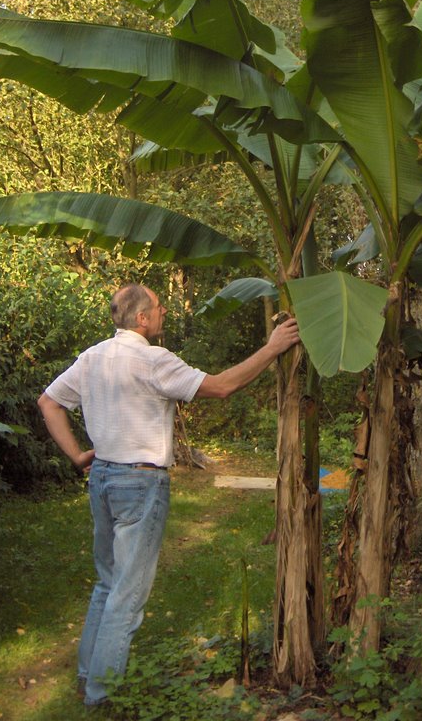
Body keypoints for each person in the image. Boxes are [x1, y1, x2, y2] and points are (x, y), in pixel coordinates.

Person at [37, 283, 300, 708]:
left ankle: (88, 676)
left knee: (107, 583)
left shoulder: (92, 357)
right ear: (142, 318)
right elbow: (220, 387)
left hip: (102, 476)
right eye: (158, 308)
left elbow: (48, 402)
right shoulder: (152, 359)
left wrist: (77, 455)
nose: (163, 314)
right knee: (127, 594)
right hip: (140, 483)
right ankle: (103, 696)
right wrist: (272, 349)